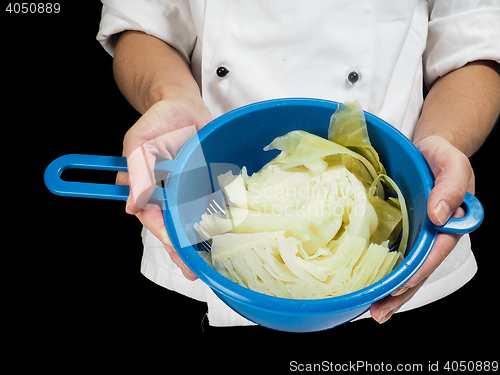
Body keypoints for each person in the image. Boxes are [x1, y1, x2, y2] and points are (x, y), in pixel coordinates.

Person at [97, 0, 500, 326]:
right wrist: (170, 96)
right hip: (199, 229)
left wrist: (443, 140)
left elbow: (472, 48)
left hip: (403, 263)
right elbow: (141, 23)